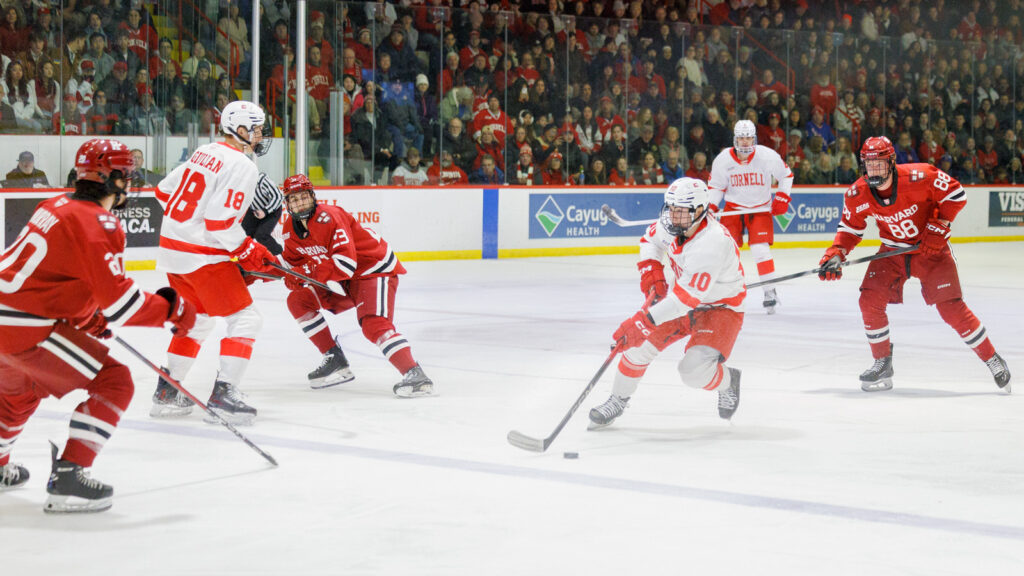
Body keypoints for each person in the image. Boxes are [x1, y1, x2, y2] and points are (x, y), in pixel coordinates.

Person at [0, 139, 196, 511]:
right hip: (27, 327)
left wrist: (89, 319)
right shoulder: (98, 221)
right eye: (127, 175)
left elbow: (58, 278)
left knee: (19, 393)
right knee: (115, 380)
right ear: (112, 178)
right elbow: (122, 303)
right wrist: (172, 310)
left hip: (7, 318)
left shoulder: (53, 204)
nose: (130, 183)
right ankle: (71, 478)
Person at [818, 136, 1011, 392]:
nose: (874, 171)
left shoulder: (921, 176)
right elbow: (850, 229)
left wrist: (940, 225)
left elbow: (957, 194)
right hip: (892, 253)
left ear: (892, 162)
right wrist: (836, 254)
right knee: (869, 300)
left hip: (931, 251)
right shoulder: (857, 193)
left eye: (879, 164)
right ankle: (882, 361)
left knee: (951, 309)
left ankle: (992, 358)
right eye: (869, 165)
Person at [151, 100, 277, 424]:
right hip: (200, 255)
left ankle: (167, 391)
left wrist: (187, 226)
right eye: (258, 127)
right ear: (241, 129)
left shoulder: (204, 152)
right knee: (247, 319)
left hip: (172, 252)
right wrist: (247, 249)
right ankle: (224, 395)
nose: (262, 134)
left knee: (198, 320)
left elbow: (163, 191)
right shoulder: (243, 165)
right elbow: (219, 224)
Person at [589, 177, 746, 428]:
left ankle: (728, 381)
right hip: (682, 300)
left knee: (692, 372)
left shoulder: (712, 242)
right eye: (670, 208)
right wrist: (653, 273)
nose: (673, 216)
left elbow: (685, 299)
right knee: (636, 350)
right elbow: (649, 241)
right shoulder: (674, 224)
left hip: (720, 309)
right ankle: (618, 399)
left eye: (680, 211)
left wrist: (642, 323)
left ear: (699, 211)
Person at [278, 174, 434, 396]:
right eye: (294, 199)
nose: (300, 203)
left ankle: (414, 373)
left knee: (373, 324)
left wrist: (304, 272)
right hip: (344, 279)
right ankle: (335, 358)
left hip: (373, 268)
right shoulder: (289, 229)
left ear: (313, 196)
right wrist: (282, 274)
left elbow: (345, 263)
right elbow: (292, 265)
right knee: (298, 300)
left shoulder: (329, 217)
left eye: (304, 197)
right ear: (287, 204)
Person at [708, 119, 793, 314]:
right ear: (735, 139)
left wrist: (782, 196)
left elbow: (786, 175)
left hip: (759, 209)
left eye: (748, 138)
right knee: (725, 251)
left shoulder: (767, 156)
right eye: (741, 138)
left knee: (760, 250)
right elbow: (716, 186)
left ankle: (769, 291)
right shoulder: (723, 159)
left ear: (753, 138)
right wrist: (711, 206)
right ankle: (724, 292)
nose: (745, 142)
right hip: (733, 209)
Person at [242, 172, 284, 255]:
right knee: (243, 234)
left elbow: (278, 196)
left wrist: (265, 211)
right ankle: (243, 260)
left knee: (261, 235)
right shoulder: (241, 182)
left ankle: (279, 254)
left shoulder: (262, 181)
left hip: (272, 210)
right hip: (254, 210)